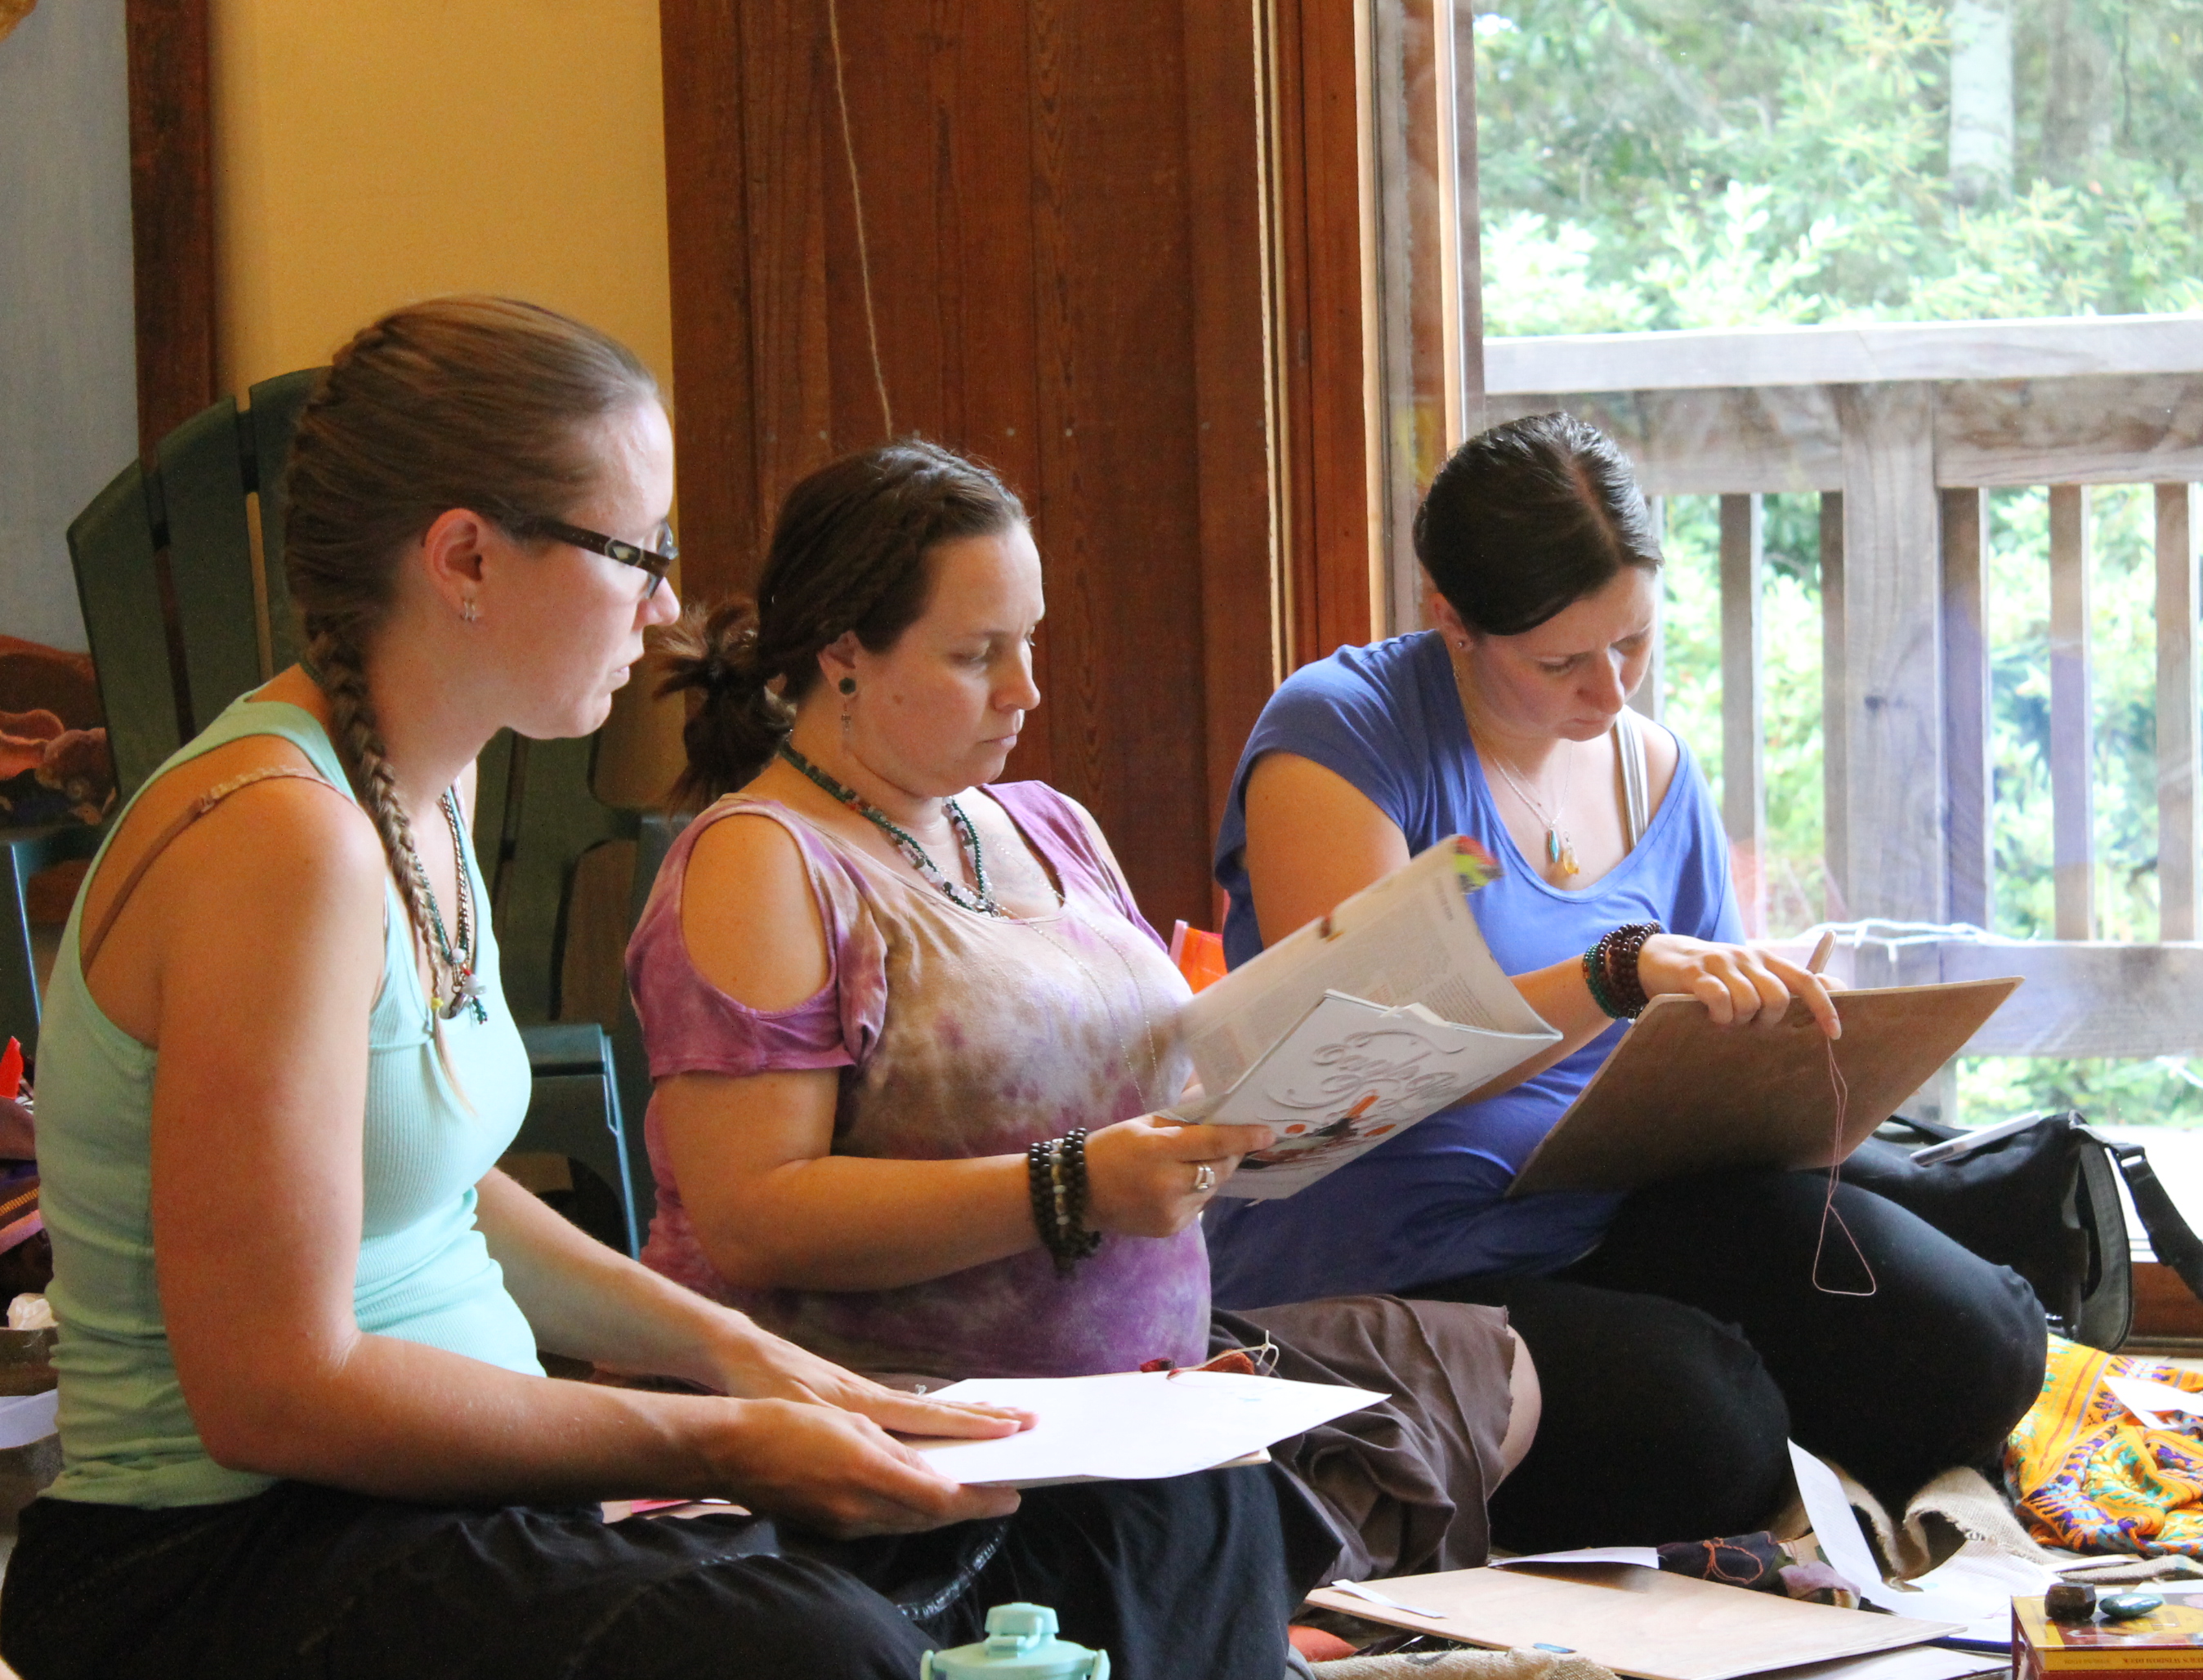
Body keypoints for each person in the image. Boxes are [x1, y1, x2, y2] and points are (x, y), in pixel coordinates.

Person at [0, 297, 1299, 1680]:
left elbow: (430, 1196)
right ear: (465, 558)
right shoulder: (281, 837)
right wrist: (719, 1439)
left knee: (1174, 1522)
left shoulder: (422, 789)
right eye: (639, 552)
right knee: (816, 1650)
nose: (670, 603)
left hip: (412, 1506)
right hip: (223, 1553)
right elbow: (273, 1395)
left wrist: (757, 1362)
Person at [631, 438, 1535, 1590]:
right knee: (1255, 1531)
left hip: (1137, 1397)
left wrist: (1275, 1098)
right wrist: (1071, 1187)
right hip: (914, 1432)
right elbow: (754, 1218)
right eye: (977, 654)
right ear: (843, 655)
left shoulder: (1046, 822)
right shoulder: (763, 860)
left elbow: (1140, 1081)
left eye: (1031, 641)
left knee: (1494, 1369)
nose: (1026, 690)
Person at [1207, 411, 2049, 1552]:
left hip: (1620, 1206)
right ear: (1452, 618)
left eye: (1634, 642)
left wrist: (1773, 1034)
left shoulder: (1653, 770)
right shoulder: (1342, 734)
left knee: (1978, 1346)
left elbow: (1708, 1037)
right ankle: (1743, 1421)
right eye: (1560, 663)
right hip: (1400, 1249)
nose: (1609, 693)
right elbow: (1362, 1068)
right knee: (1709, 1432)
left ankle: (1764, 1412)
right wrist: (1613, 976)